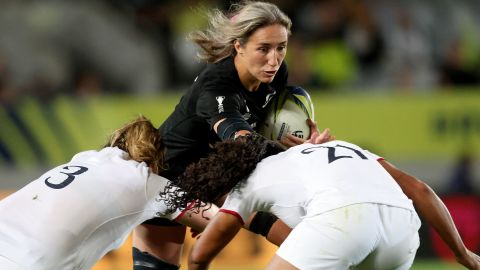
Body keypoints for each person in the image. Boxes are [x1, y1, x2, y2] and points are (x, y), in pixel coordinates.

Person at [132, 1, 333, 269]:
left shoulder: (273, 76)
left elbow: (263, 131)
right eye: (263, 49)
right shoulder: (215, 88)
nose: (274, 60)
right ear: (238, 46)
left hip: (215, 180)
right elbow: (244, 143)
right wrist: (300, 153)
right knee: (293, 239)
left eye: (281, 48)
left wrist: (299, 141)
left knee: (294, 238)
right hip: (165, 182)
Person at [162, 134, 480, 270]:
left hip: (344, 218)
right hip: (404, 234)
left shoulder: (246, 186)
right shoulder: (342, 146)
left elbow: (200, 256)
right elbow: (421, 190)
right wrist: (461, 252)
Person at [0, 116, 216, 270]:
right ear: (156, 162)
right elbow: (219, 219)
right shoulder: (147, 182)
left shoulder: (83, 158)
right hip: (32, 261)